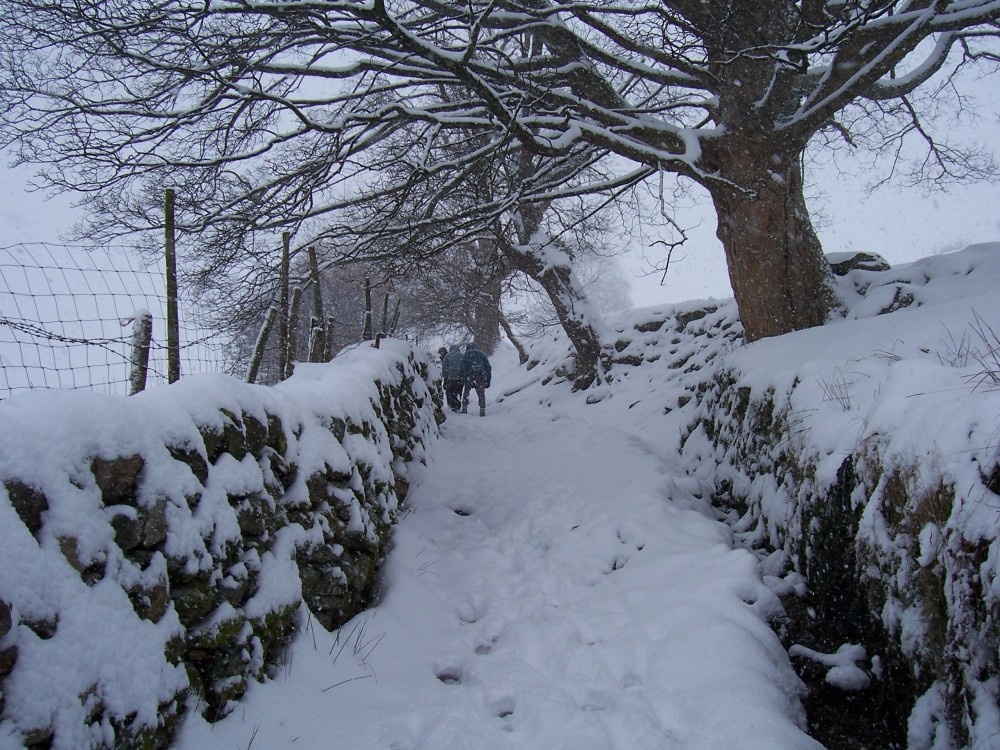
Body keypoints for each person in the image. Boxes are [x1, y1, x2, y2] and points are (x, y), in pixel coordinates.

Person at [460, 342, 492, 417]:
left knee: (466, 392)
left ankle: (464, 408)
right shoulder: (481, 354)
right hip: (480, 377)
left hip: (469, 377)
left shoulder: (466, 355)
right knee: (481, 394)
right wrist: (488, 379)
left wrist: (463, 377)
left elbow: (462, 367)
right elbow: (488, 367)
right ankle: (482, 409)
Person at [441, 344, 465, 413]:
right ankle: (458, 404)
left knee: (450, 392)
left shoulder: (448, 356)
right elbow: (465, 366)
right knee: (459, 391)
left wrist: (445, 377)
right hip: (460, 378)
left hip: (451, 378)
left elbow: (444, 367)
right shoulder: (462, 355)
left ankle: (452, 405)